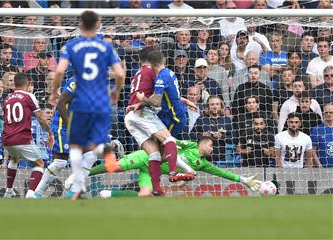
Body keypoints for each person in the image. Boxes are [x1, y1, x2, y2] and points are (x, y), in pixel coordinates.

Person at [51, 10, 125, 200]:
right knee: (94, 143)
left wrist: (54, 91)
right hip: (101, 101)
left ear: (81, 25)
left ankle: (80, 189)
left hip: (81, 101)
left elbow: (59, 71)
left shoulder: (72, 46)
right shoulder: (105, 47)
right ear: (98, 25)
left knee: (76, 145)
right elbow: (120, 73)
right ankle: (107, 150)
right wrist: (116, 91)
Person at [88, 137, 262, 197]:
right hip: (147, 157)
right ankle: (85, 173)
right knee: (115, 167)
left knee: (145, 195)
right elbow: (170, 141)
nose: (212, 148)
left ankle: (109, 194)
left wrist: (244, 180)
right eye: (210, 145)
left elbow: (222, 172)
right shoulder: (190, 145)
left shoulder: (203, 164)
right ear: (202, 143)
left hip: (152, 172)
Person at [126, 48, 195, 196]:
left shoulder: (138, 73)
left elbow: (164, 94)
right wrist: (143, 101)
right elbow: (158, 100)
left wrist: (142, 101)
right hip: (146, 113)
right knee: (168, 140)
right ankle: (174, 172)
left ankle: (156, 189)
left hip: (130, 116)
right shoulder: (155, 73)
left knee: (155, 154)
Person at [2, 72, 54, 198]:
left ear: (14, 83)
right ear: (28, 83)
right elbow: (41, 118)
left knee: (14, 159)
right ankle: (31, 194)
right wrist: (50, 133)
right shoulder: (29, 96)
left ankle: (9, 190)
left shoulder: (7, 98)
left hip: (7, 139)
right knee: (40, 164)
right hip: (22, 138)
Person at [311, 103, 333, 168]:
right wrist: (319, 165)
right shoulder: (316, 129)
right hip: (323, 168)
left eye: (331, 112)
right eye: (326, 112)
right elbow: (313, 150)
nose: (328, 114)